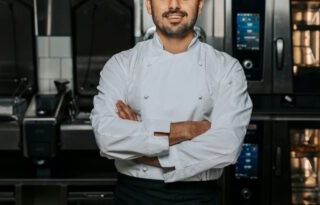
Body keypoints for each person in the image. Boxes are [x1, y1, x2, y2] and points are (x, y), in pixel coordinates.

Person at [90, 0, 253, 204]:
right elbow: (107, 138)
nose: (174, 5)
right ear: (148, 5)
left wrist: (138, 149)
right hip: (134, 195)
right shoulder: (121, 65)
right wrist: (186, 130)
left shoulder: (226, 68)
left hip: (199, 197)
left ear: (200, 5)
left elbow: (227, 146)